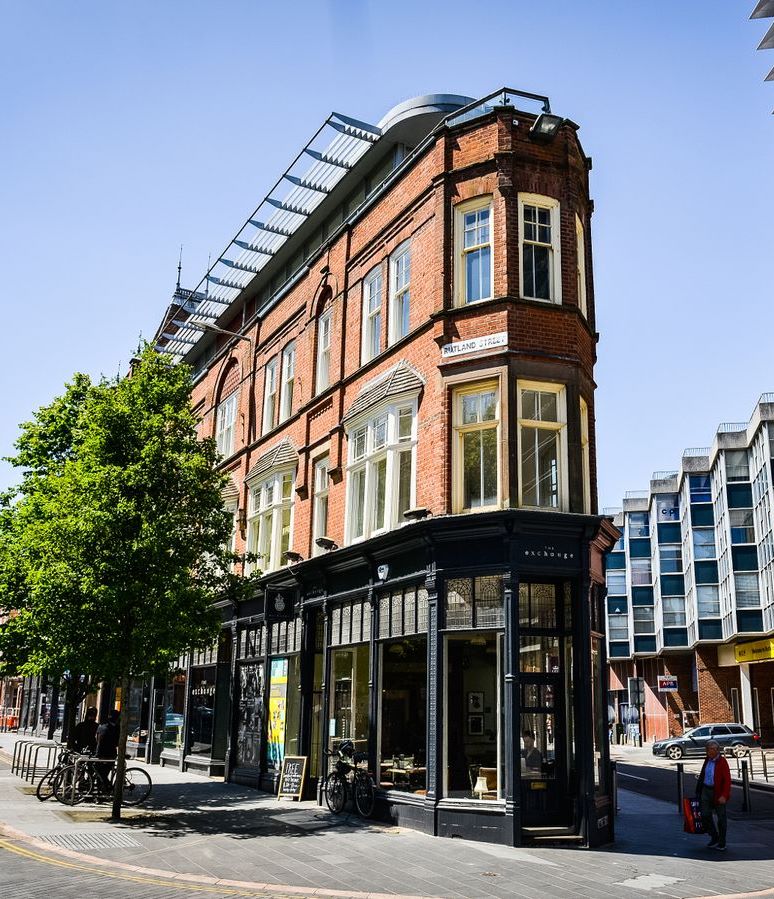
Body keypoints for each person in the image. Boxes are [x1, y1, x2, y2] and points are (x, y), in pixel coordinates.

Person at [696, 739, 731, 851]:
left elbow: (727, 780)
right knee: (705, 815)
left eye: (711, 749)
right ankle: (714, 836)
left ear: (717, 750)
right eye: (707, 749)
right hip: (706, 790)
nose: (708, 752)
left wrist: (724, 796)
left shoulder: (722, 762)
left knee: (721, 818)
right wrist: (699, 790)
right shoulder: (707, 760)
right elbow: (702, 775)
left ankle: (722, 842)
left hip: (718, 792)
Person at [94, 709, 120, 792]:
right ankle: (106, 788)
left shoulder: (102, 726)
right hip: (109, 754)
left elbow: (96, 738)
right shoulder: (116, 728)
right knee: (103, 773)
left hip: (100, 753)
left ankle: (102, 790)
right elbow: (117, 742)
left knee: (100, 773)